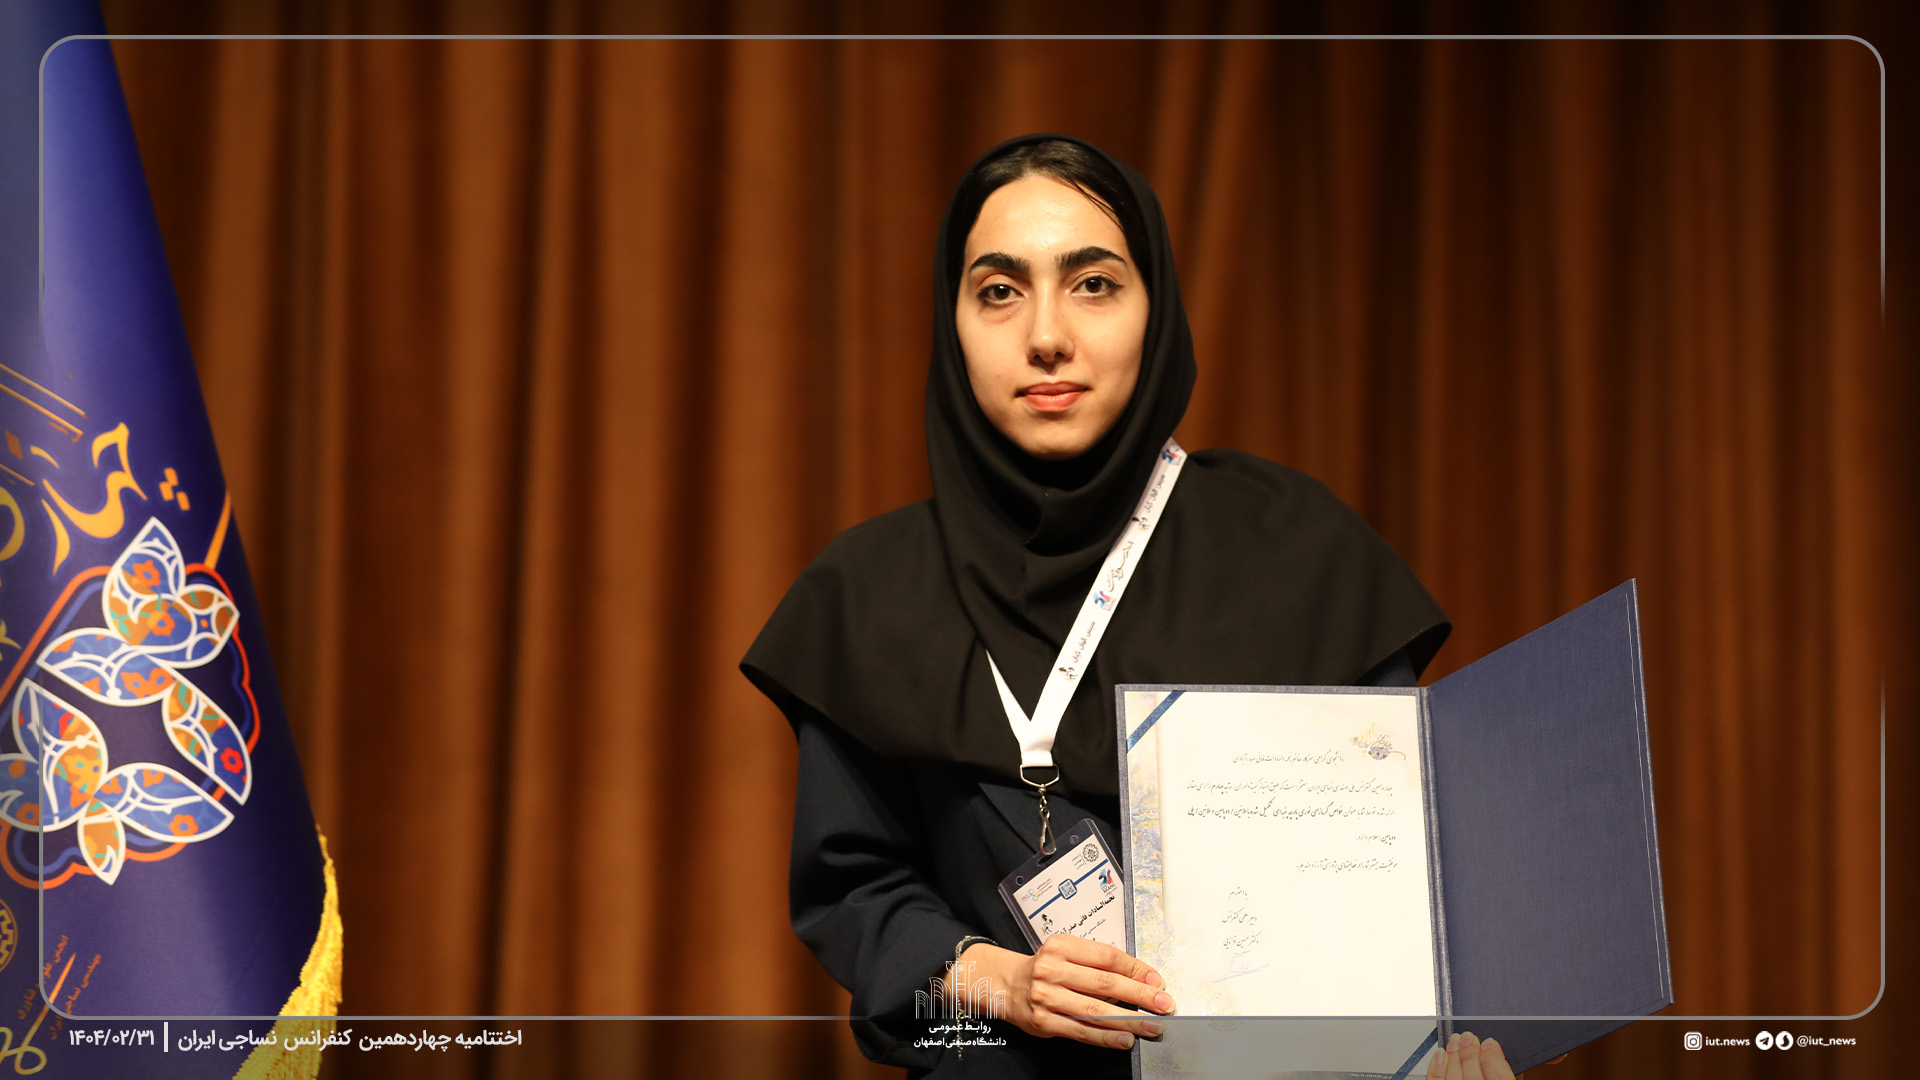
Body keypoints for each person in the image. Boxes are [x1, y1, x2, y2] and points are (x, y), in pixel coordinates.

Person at [742, 134, 1458, 1078]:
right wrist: (999, 980)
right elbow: (857, 895)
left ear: (1157, 309)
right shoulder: (870, 593)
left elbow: (1403, 882)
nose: (1046, 334)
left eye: (1093, 284)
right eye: (999, 290)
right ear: (951, 322)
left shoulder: (1298, 552)